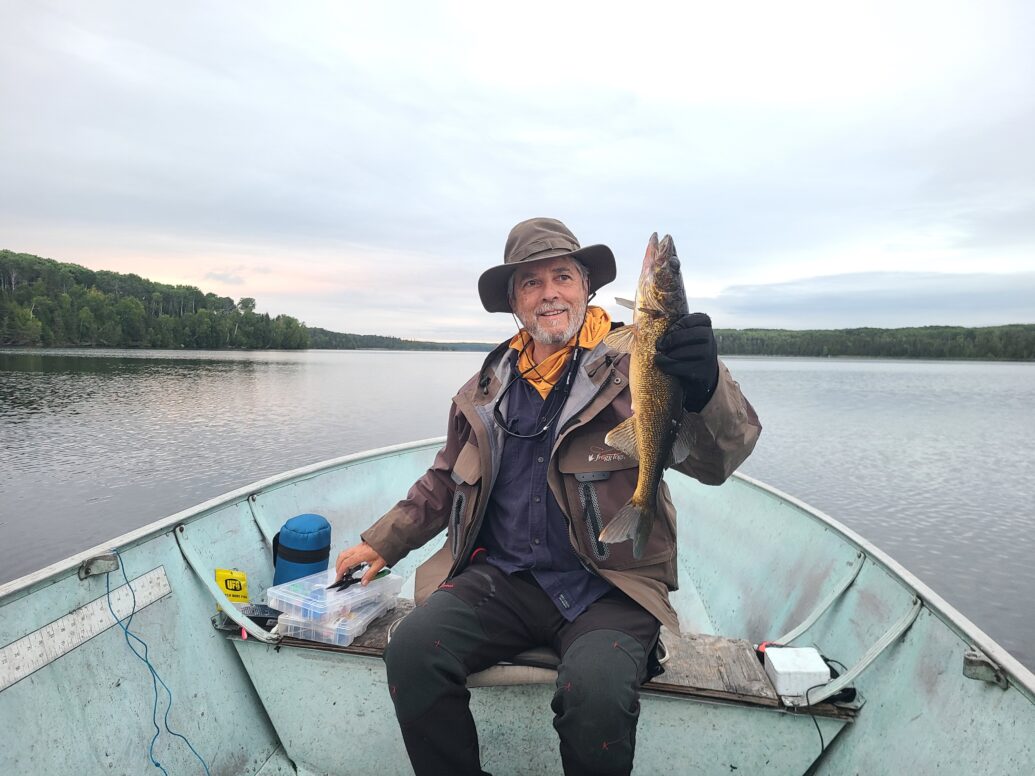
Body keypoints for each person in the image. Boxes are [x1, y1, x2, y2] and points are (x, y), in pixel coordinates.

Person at [334, 217, 761, 776]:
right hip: (502, 579)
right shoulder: (484, 387)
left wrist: (706, 384)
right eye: (531, 283)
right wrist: (383, 542)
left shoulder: (643, 361)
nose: (549, 293)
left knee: (597, 694)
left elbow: (720, 459)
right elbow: (444, 479)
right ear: (514, 302)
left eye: (562, 276)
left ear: (587, 287)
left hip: (611, 586)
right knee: (413, 651)